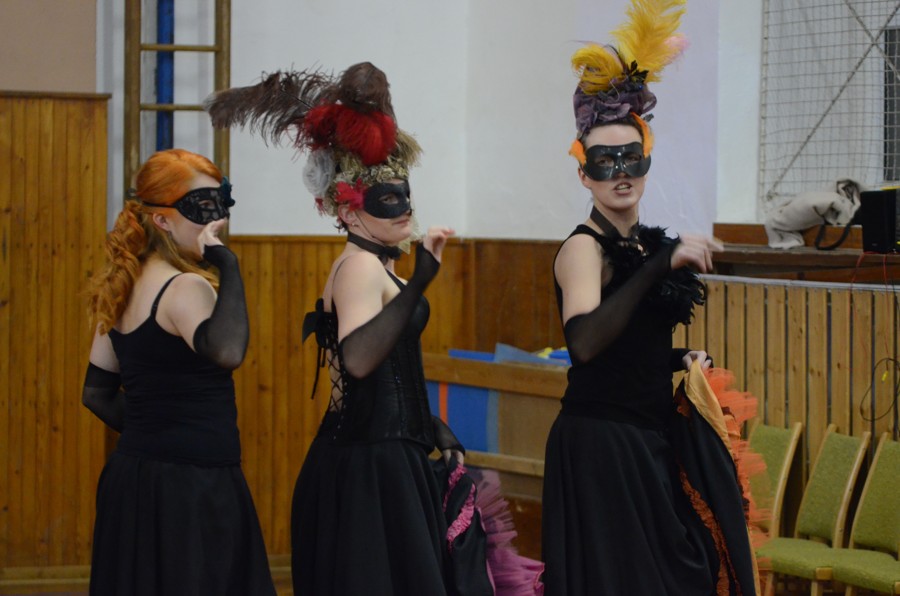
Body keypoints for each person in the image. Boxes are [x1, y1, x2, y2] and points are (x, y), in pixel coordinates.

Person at [206, 62, 543, 596]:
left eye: (405, 194)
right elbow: (359, 359)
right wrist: (421, 281)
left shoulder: (373, 263)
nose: (404, 208)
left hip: (384, 455)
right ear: (348, 211)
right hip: (369, 466)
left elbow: (385, 366)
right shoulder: (361, 267)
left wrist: (426, 423)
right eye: (387, 198)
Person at [541, 1, 760, 594]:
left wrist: (678, 358)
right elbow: (585, 343)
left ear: (647, 163)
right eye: (604, 161)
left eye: (630, 158)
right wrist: (660, 264)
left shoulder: (644, 246)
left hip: (648, 438)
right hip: (602, 443)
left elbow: (630, 344)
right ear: (584, 174)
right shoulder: (582, 249)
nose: (620, 171)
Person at [82, 149, 276, 596]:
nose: (217, 221)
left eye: (220, 204)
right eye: (202, 208)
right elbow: (227, 350)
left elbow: (96, 393)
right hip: (193, 487)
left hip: (134, 480)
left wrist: (156, 432)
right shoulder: (185, 286)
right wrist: (228, 264)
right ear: (162, 220)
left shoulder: (123, 285)